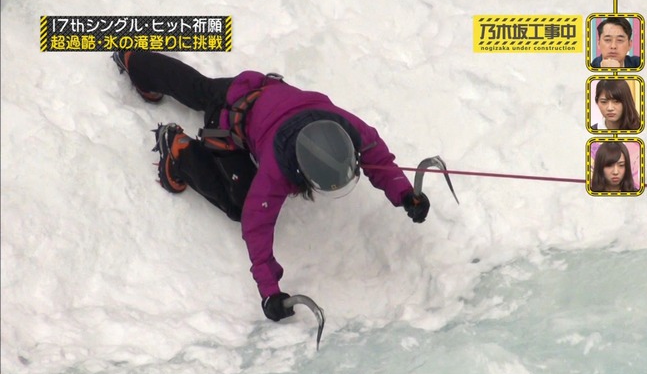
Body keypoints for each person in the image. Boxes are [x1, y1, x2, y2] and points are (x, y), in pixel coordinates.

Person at [112, 51, 431, 322]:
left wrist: (404, 195)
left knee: (202, 89)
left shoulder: (350, 129)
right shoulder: (277, 171)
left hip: (250, 89)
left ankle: (136, 61)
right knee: (239, 203)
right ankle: (181, 152)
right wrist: (270, 293)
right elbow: (255, 224)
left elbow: (378, 159)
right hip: (227, 125)